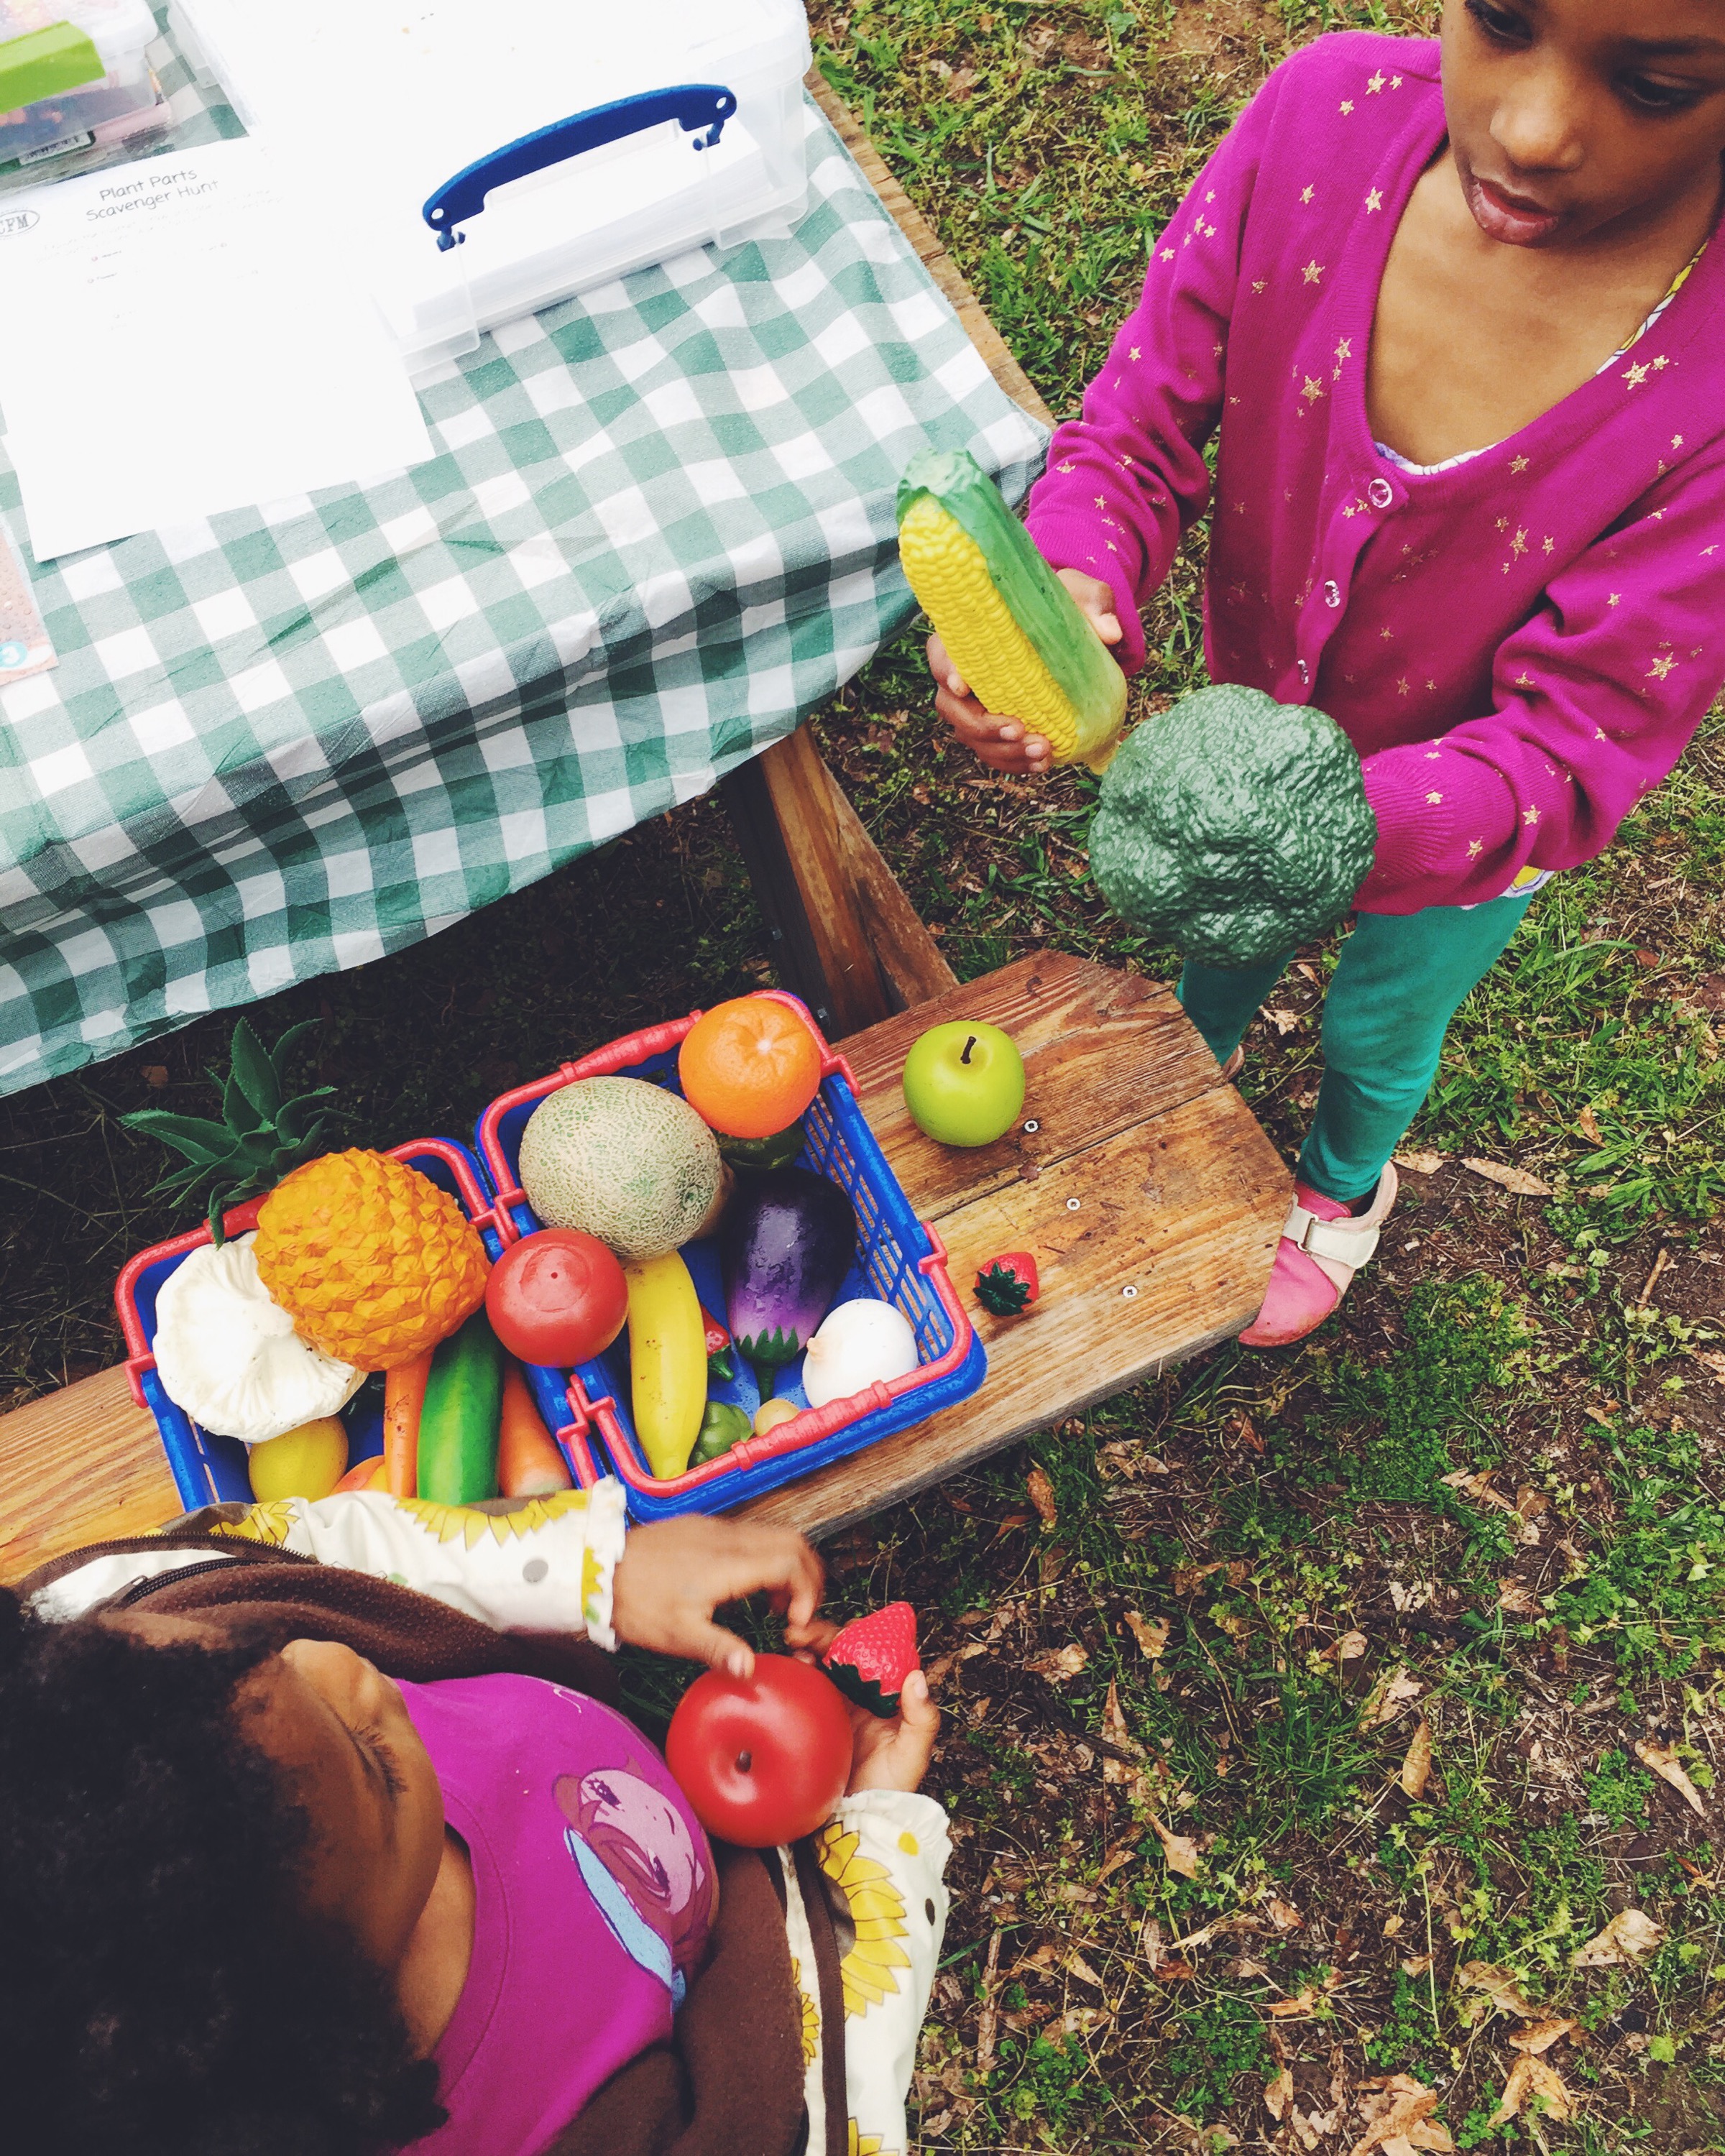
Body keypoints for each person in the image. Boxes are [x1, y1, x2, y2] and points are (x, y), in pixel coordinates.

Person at [930, 0, 1725, 1343]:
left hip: (1473, 833)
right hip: (1254, 723)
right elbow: (1132, 436)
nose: (1535, 129)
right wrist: (1066, 585)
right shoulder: (1320, 126)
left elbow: (1573, 741)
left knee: (1379, 1025)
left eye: (1653, 86)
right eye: (1502, 19)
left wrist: (1328, 826)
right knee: (1224, 934)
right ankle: (1198, 1055)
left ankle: (1342, 1186)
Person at [0, 1481, 946, 2156]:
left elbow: (325, 1552)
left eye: (269, 1648)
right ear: (335, 2032)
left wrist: (594, 1573)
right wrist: (869, 1837)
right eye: (373, 1766)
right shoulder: (541, 2128)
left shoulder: (114, 1657)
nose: (347, 1664)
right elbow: (823, 2106)